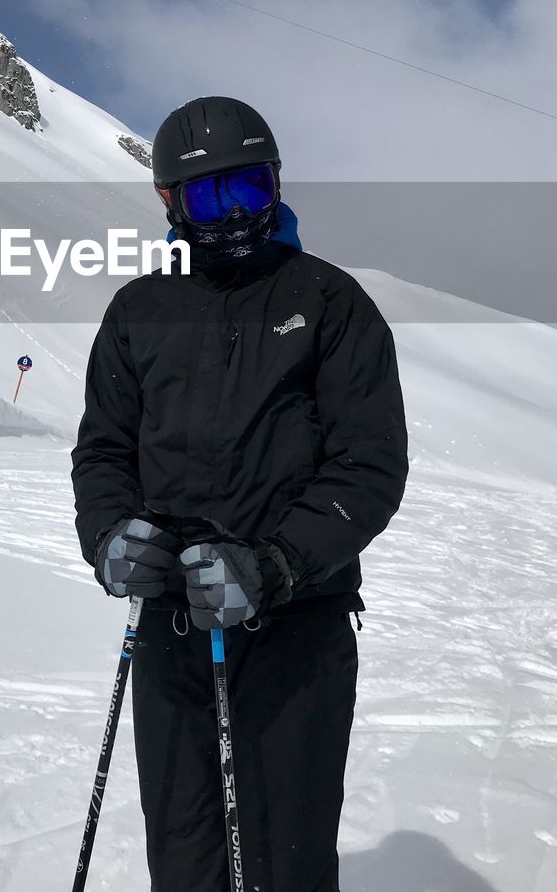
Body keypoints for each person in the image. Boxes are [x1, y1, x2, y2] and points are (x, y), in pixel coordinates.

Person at [71, 95, 409, 892]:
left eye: (248, 190)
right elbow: (104, 451)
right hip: (172, 628)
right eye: (205, 196)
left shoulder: (329, 305)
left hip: (297, 630)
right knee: (187, 854)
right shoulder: (139, 311)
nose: (230, 216)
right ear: (168, 203)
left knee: (282, 856)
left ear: (277, 182)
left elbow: (369, 467)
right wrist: (111, 537)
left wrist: (277, 563)